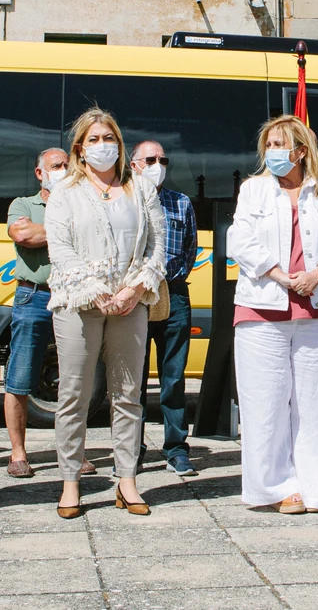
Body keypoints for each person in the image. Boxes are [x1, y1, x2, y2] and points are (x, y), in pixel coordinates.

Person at [46, 109, 167, 518]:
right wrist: (95, 291)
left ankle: (127, 481)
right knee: (74, 395)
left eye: (109, 137)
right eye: (94, 139)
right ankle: (70, 482)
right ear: (80, 148)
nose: (103, 145)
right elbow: (60, 248)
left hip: (130, 302)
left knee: (128, 394)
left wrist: (136, 288)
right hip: (79, 303)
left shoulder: (140, 187)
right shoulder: (65, 190)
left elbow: (157, 244)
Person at [228, 116, 318, 513]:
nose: (272, 152)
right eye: (268, 145)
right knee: (264, 404)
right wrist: (282, 276)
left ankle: (317, 488)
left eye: (279, 144)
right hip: (262, 306)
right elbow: (239, 241)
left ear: (300, 151)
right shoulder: (253, 190)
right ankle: (274, 488)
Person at [133, 139, 200, 476]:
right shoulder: (124, 201)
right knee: (134, 379)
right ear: (134, 165)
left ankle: (176, 448)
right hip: (135, 296)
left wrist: (171, 282)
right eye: (150, 159)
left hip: (173, 295)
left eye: (163, 159)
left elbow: (190, 248)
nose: (157, 165)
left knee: (173, 377)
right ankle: (133, 450)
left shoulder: (181, 202)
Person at [2, 149, 69, 478]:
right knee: (20, 377)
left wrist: (43, 231)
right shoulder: (23, 204)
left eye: (68, 165)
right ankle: (18, 453)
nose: (64, 170)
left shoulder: (79, 203)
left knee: (75, 379)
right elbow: (23, 235)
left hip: (71, 297)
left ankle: (72, 452)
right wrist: (66, 231)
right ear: (40, 173)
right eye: (57, 166)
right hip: (33, 296)